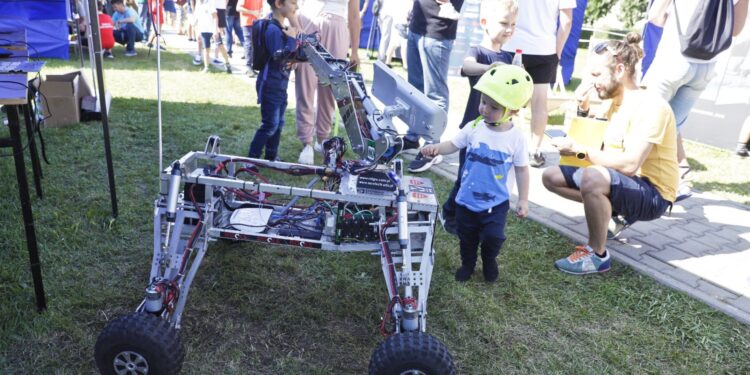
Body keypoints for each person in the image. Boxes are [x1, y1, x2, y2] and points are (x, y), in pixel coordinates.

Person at [542, 33, 679, 275]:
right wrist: (582, 112)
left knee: (592, 177)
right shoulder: (612, 103)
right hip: (625, 181)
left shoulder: (652, 106)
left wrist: (580, 151)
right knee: (550, 176)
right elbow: (590, 148)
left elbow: (629, 165)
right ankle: (611, 211)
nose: (591, 82)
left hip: (654, 193)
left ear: (619, 70)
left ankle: (597, 254)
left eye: (596, 75)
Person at [419, 65, 532, 282]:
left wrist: (524, 200)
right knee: (466, 238)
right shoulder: (474, 127)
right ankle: (468, 264)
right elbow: (453, 144)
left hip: (496, 203)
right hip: (466, 200)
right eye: (483, 102)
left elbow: (522, 170)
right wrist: (435, 148)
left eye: (494, 107)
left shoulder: (516, 138)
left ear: (513, 110)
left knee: (493, 237)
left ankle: (489, 259)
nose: (485, 109)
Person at [643, 0, 749, 200]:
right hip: (705, 69)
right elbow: (735, 30)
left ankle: (628, 193)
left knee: (643, 125)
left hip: (673, 60)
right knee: (670, 130)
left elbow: (655, 15)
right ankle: (675, 183)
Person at [440, 0, 517, 235]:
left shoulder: (510, 56)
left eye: (513, 24)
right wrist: (489, 68)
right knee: (465, 174)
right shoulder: (478, 52)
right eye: (504, 23)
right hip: (472, 128)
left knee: (485, 177)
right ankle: (449, 213)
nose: (509, 29)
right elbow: (467, 66)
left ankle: (478, 217)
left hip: (496, 132)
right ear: (484, 23)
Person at [501, 0, 575, 168]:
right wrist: (558, 50)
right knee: (540, 102)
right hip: (544, 48)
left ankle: (501, 143)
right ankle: (534, 150)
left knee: (505, 97)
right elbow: (567, 20)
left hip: (512, 44)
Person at [293, 0, 362, 165]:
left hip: (337, 26)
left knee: (331, 86)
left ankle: (322, 138)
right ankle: (307, 142)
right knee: (305, 83)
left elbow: (354, 15)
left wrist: (355, 51)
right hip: (308, 20)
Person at [401, 0, 465, 173]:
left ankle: (432, 148)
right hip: (417, 26)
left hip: (438, 31)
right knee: (414, 90)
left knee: (435, 95)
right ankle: (412, 137)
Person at [247, 0, 301, 161]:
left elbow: (287, 55)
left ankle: (271, 156)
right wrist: (291, 39)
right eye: (293, 2)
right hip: (270, 84)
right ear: (279, 3)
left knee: (279, 123)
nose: (296, 7)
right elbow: (279, 56)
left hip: (280, 85)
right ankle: (252, 159)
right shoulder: (272, 29)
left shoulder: (280, 28)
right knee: (270, 125)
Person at [194, 0, 232, 72]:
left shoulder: (210, 2)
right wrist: (195, 26)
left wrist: (215, 30)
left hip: (212, 29)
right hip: (203, 29)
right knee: (206, 48)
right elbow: (197, 16)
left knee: (220, 46)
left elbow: (215, 17)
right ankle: (206, 67)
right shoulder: (198, 3)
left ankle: (227, 63)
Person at [237, 0, 264, 76]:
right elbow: (238, 8)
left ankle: (252, 67)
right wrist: (252, 12)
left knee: (255, 45)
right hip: (247, 22)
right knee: (249, 44)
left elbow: (261, 8)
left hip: (257, 22)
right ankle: (248, 67)